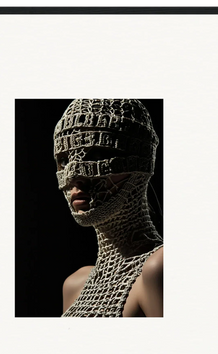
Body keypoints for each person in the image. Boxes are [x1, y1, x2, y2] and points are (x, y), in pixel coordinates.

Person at [53, 99, 163, 317]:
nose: (74, 176)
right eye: (64, 161)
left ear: (141, 163)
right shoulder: (74, 286)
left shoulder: (157, 269)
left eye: (96, 155)